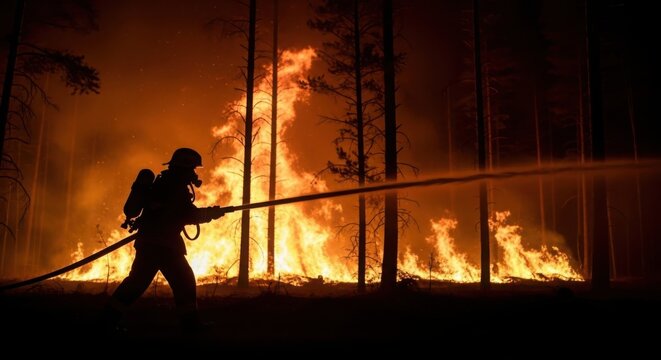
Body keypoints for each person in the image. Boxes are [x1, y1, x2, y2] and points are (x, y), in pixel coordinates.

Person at [103, 147, 225, 333]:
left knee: (137, 283)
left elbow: (180, 213)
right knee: (182, 281)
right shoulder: (172, 186)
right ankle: (191, 327)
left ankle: (107, 322)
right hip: (163, 245)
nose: (193, 173)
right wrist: (211, 213)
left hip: (155, 243)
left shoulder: (167, 183)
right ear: (183, 169)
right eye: (192, 168)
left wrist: (209, 213)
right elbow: (187, 214)